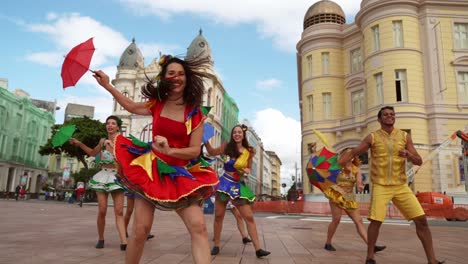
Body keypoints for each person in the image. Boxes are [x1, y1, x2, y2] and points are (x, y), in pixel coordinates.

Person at [92, 55, 219, 264]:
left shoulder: (194, 113)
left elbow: (194, 150)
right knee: (140, 230)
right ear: (164, 77)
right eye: (171, 73)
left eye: (181, 74)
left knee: (199, 226)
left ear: (187, 78)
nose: (176, 77)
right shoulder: (157, 103)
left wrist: (170, 151)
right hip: (150, 171)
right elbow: (131, 106)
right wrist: (107, 85)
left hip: (180, 175)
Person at [339, 106, 444, 264]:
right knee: (376, 221)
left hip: (401, 186)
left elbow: (419, 160)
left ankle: (432, 260)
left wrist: (408, 154)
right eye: (386, 115)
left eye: (392, 114)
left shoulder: (404, 136)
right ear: (380, 119)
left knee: (421, 220)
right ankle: (370, 257)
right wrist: (338, 162)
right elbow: (354, 152)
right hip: (381, 185)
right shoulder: (372, 137)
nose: (390, 116)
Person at [205, 124, 270, 258]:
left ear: (243, 135)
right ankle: (216, 245)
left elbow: (249, 168)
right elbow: (211, 152)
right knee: (219, 216)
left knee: (249, 217)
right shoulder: (226, 147)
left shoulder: (248, 151)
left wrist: (246, 170)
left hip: (238, 185)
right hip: (224, 184)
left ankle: (258, 249)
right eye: (235, 132)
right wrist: (205, 139)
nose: (237, 134)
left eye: (239, 132)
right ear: (232, 134)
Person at [69, 115, 127, 251]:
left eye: (113, 123)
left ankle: (124, 241)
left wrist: (113, 147)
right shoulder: (102, 141)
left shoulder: (123, 141)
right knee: (102, 210)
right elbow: (92, 152)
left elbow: (127, 158)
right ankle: (101, 238)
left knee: (119, 211)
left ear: (118, 127)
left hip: (117, 177)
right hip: (102, 176)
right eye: (108, 123)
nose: (110, 125)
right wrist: (79, 143)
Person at [323, 149, 386, 253]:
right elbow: (329, 181)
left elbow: (359, 182)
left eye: (351, 154)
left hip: (349, 197)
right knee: (336, 219)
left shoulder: (356, 169)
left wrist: (360, 186)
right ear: (343, 155)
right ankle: (328, 243)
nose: (350, 156)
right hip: (336, 195)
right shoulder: (336, 167)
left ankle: (371, 246)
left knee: (359, 221)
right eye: (347, 154)